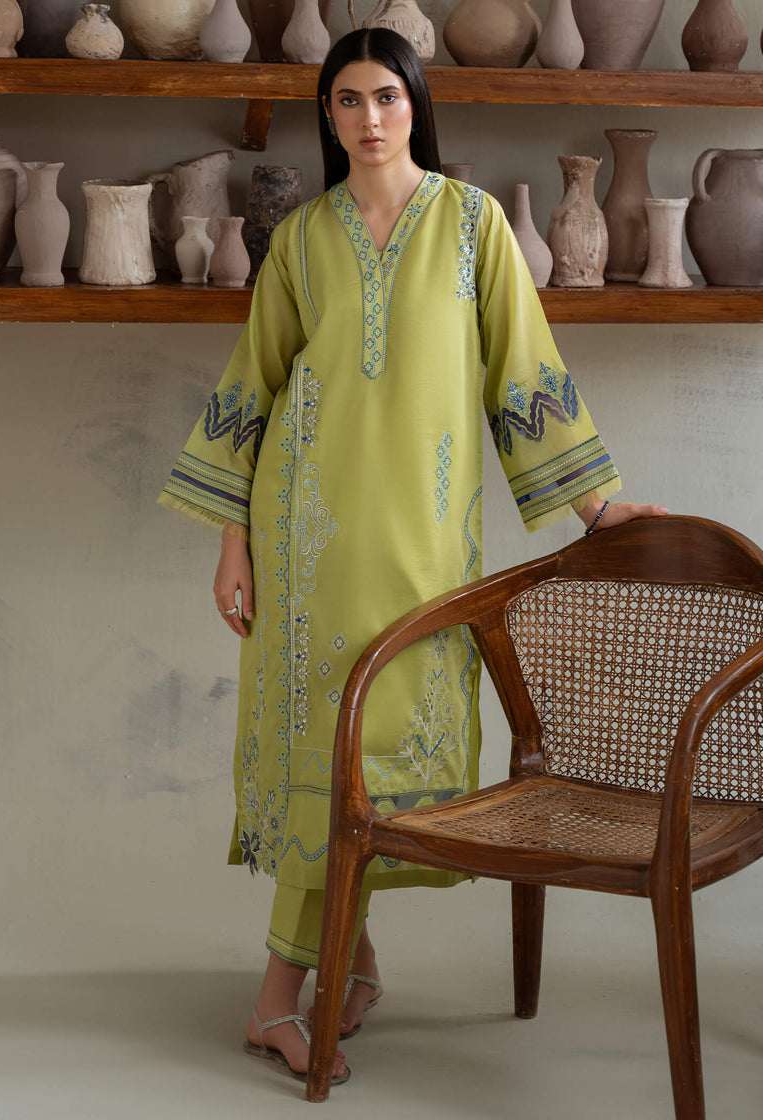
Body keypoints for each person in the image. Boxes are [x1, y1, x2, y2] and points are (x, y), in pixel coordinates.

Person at [159, 28, 667, 1086]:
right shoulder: (300, 241)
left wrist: (596, 505)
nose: (369, 117)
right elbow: (252, 386)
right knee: (325, 758)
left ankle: (352, 964)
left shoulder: (473, 225)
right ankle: (273, 1004)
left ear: (415, 104)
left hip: (424, 544)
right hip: (307, 541)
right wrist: (233, 543)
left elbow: (521, 370)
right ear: (328, 115)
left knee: (381, 760)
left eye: (386, 96)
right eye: (347, 99)